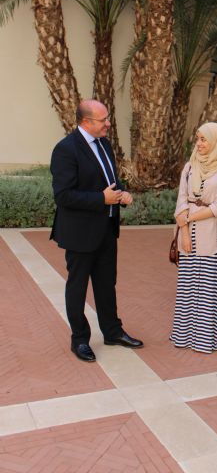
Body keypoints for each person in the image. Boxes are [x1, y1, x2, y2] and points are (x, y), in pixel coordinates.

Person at [50, 99, 143, 362]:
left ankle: (112, 331)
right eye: (103, 120)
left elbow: (109, 180)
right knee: (77, 287)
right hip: (79, 233)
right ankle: (79, 339)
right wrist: (101, 199)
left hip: (106, 229)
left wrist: (121, 192)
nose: (108, 124)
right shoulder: (66, 150)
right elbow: (63, 195)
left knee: (106, 284)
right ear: (86, 122)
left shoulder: (104, 144)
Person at [170, 122, 217, 353]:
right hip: (188, 235)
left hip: (211, 234)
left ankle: (205, 339)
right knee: (187, 287)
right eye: (198, 138)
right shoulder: (189, 167)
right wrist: (184, 232)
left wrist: (189, 219)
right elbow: (181, 200)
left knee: (208, 289)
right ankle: (184, 336)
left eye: (204, 139)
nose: (199, 143)